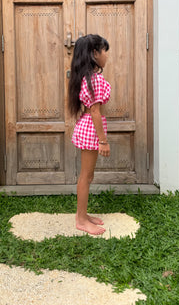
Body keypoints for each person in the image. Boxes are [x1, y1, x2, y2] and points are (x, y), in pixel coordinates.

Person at [68, 34, 111, 235]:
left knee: (88, 175)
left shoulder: (87, 78)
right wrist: (103, 141)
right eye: (104, 51)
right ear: (95, 53)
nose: (106, 56)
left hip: (87, 127)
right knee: (85, 176)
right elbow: (95, 111)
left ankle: (83, 215)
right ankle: (81, 219)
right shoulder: (96, 80)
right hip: (91, 130)